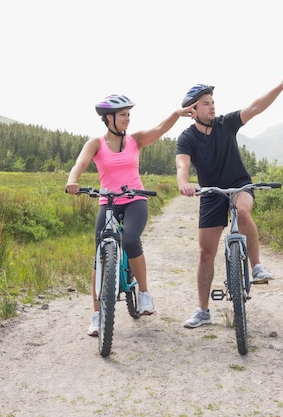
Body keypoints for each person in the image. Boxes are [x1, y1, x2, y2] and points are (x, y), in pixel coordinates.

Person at [175, 67, 283, 329]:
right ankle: (203, 310)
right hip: (211, 193)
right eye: (205, 104)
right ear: (192, 111)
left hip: (239, 184)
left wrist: (280, 86)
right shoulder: (187, 137)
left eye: (212, 102)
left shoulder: (226, 123)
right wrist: (184, 184)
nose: (212, 107)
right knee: (206, 253)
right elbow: (181, 166)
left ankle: (256, 267)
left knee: (243, 212)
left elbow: (255, 107)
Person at [66, 94, 196, 336]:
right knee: (99, 254)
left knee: (130, 240)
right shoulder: (95, 143)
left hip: (135, 199)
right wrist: (73, 180)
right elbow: (80, 163)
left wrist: (177, 114)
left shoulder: (135, 140)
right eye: (123, 114)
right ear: (108, 118)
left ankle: (144, 294)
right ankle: (96, 315)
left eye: (128, 114)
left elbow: (158, 129)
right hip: (109, 201)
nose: (127, 118)